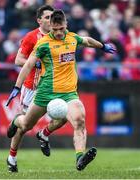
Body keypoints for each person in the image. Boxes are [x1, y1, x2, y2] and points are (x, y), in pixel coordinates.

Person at [6, 9, 115, 172]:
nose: (58, 33)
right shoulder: (43, 44)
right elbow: (28, 64)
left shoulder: (72, 38)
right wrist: (17, 86)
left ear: (66, 25)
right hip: (45, 92)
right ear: (50, 26)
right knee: (26, 124)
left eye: (61, 29)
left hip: (69, 93)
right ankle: (16, 121)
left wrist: (102, 46)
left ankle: (79, 158)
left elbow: (87, 41)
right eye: (55, 29)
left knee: (79, 120)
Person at [6, 5, 67, 173]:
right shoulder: (31, 37)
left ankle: (44, 134)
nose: (50, 20)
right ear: (39, 20)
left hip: (54, 86)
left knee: (65, 115)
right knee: (25, 126)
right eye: (47, 17)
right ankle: (12, 157)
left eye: (52, 17)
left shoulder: (60, 35)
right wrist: (37, 62)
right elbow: (18, 60)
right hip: (33, 87)